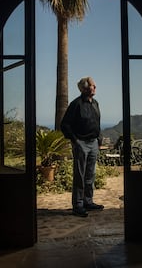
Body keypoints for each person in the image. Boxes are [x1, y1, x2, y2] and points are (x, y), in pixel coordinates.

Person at [61, 76, 104, 217]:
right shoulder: (76, 104)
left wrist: (99, 138)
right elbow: (65, 125)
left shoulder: (95, 103)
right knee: (79, 175)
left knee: (90, 175)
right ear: (85, 88)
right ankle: (78, 205)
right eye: (93, 85)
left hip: (93, 143)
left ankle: (88, 201)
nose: (95, 88)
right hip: (81, 143)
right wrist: (75, 141)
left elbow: (97, 122)